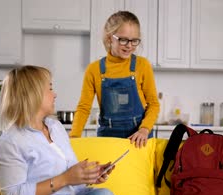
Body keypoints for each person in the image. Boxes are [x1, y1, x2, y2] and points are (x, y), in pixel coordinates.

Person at [0, 65, 120, 195]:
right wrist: (65, 178)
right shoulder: (12, 142)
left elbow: (69, 173)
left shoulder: (55, 127)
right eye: (49, 88)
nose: (55, 94)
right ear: (33, 94)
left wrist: (89, 176)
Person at [69, 11, 160, 148]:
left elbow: (153, 104)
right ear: (109, 38)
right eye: (123, 39)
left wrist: (144, 129)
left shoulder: (143, 65)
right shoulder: (94, 70)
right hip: (108, 138)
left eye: (134, 40)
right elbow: (83, 108)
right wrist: (74, 138)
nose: (129, 46)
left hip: (138, 139)